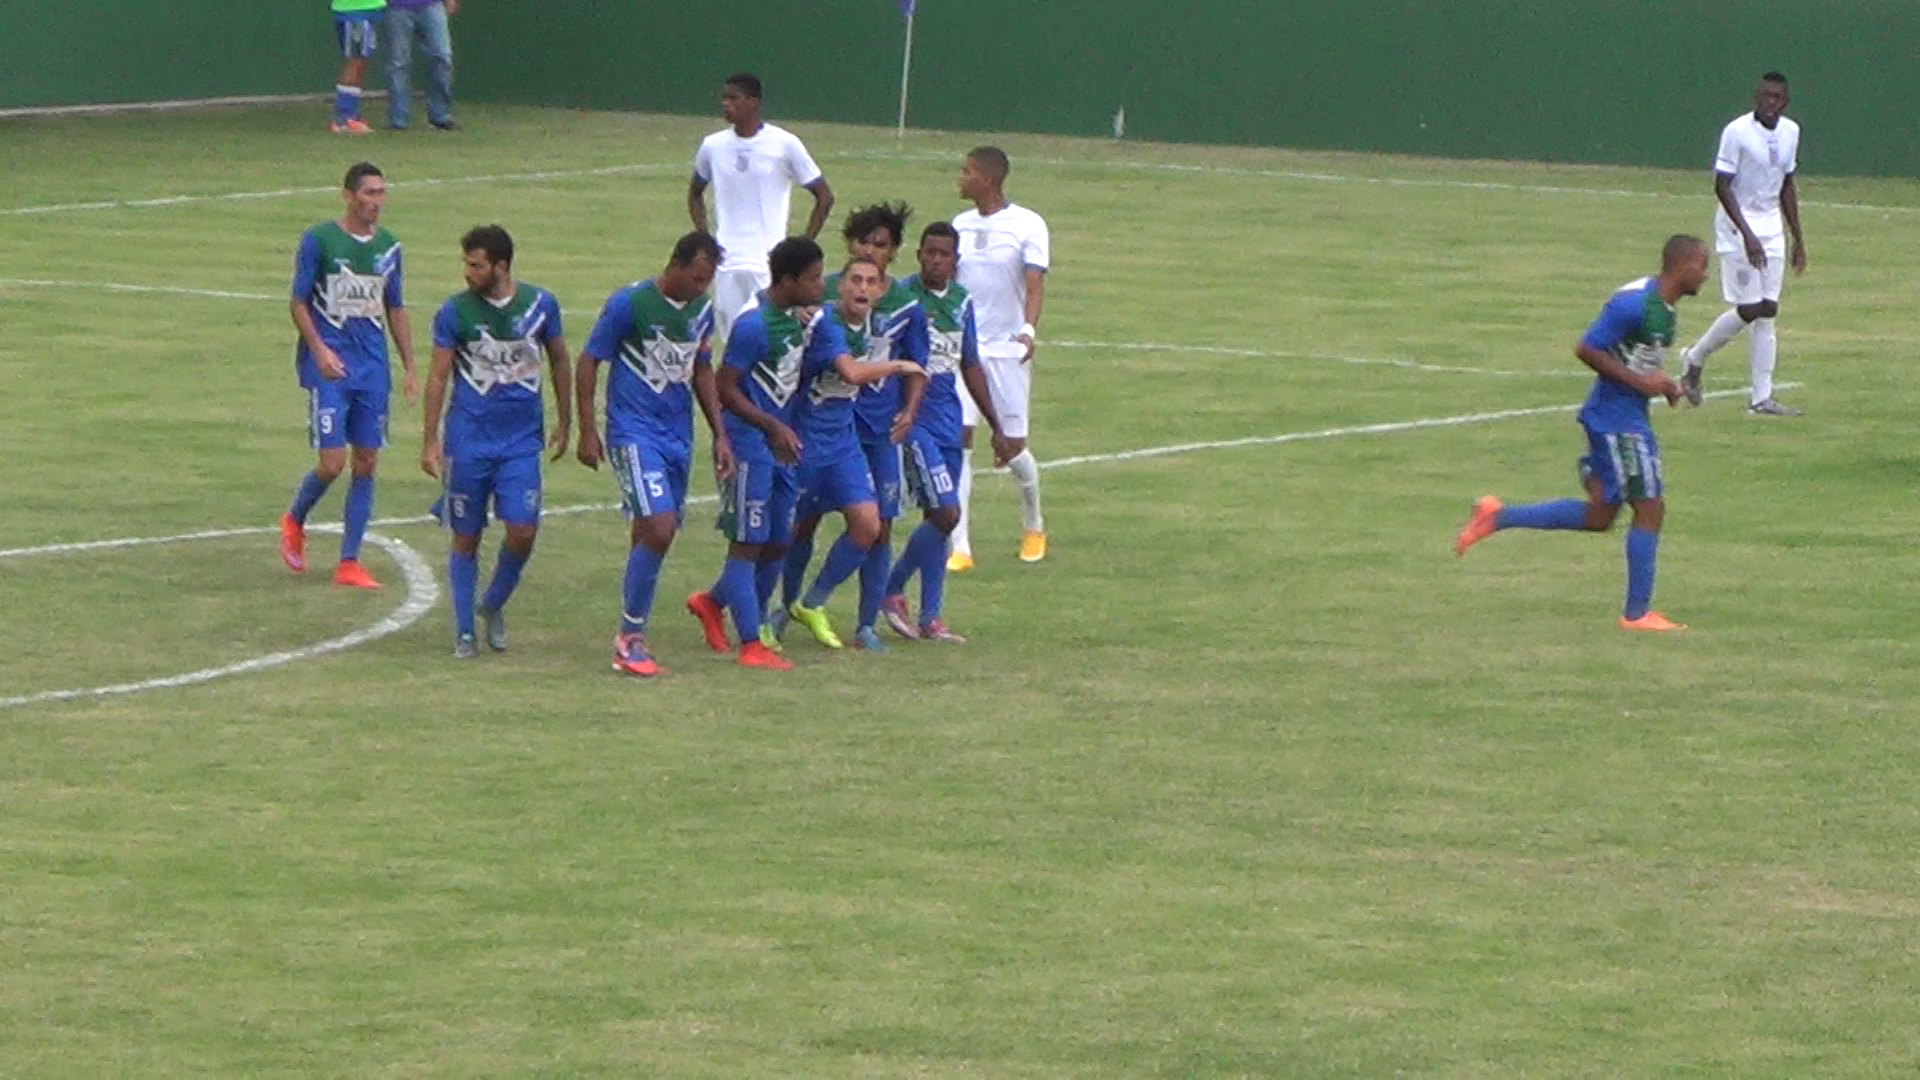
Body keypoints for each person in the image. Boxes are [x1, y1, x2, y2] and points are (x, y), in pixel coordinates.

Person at [1454, 234, 1711, 632]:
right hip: (1617, 422)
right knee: (1650, 508)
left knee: (1599, 516)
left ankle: (1497, 516)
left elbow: (1635, 360)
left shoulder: (1665, 310)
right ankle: (1637, 614)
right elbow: (1588, 348)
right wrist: (1641, 385)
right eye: (1703, 266)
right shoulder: (1633, 305)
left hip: (1621, 416)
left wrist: (1664, 385)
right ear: (1683, 266)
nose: (1707, 275)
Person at [683, 238, 912, 669]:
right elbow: (724, 385)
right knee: (748, 544)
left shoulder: (798, 321)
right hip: (753, 443)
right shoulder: (753, 327)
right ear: (788, 282)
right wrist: (765, 427)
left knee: (777, 541)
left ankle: (712, 603)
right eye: (811, 279)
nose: (819, 287)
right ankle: (753, 643)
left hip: (782, 443)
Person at [575, 232, 729, 678]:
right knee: (659, 528)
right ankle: (629, 638)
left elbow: (701, 369)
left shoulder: (701, 311)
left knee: (653, 529)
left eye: (708, 280)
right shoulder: (630, 304)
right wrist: (588, 428)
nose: (702, 287)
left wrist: (720, 433)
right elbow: (590, 362)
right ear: (675, 265)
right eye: (697, 278)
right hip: (633, 431)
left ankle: (632, 621)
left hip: (677, 434)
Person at [779, 202, 928, 651]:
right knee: (800, 524)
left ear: (894, 253)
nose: (870, 251)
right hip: (826, 427)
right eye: (863, 243)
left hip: (878, 431)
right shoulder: (822, 296)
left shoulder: (907, 304)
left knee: (877, 525)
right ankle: (785, 611)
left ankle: (863, 623)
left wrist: (911, 409)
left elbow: (919, 364)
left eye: (880, 246)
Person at [419, 225, 570, 657]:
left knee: (523, 530)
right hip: (469, 441)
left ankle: (493, 604)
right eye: (467, 264)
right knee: (466, 535)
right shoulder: (455, 312)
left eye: (476, 265)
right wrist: (431, 441)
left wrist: (566, 421)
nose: (467, 273)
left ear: (501, 266)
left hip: (521, 440)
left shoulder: (540, 305)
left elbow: (560, 358)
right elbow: (438, 376)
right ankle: (464, 631)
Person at [279, 161, 418, 589]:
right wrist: (319, 350)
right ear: (348, 196)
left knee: (368, 460)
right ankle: (295, 519)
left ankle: (349, 561)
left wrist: (410, 366)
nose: (376, 201)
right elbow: (299, 301)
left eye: (381, 193)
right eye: (369, 193)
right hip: (332, 366)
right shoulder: (320, 240)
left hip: (372, 366)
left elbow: (395, 307)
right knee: (333, 462)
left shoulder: (390, 248)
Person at [882, 222, 1017, 643]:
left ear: (956, 260)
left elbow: (970, 363)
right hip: (914, 419)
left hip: (948, 419)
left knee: (938, 520)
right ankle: (891, 588)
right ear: (918, 254)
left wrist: (997, 424)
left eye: (944, 254)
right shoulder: (902, 298)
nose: (936, 260)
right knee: (947, 513)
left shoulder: (961, 302)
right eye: (929, 252)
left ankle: (932, 617)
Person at [1679, 72, 1807, 416]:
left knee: (1769, 310)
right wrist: (1747, 234)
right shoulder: (1736, 132)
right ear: (1756, 97)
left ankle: (1761, 399)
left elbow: (1786, 184)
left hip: (1771, 227)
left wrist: (1797, 237)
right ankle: (1694, 358)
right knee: (1751, 308)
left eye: (1777, 97)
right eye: (1765, 96)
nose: (1770, 103)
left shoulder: (1791, 132)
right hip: (1737, 227)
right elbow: (1722, 185)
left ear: (1785, 102)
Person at [951, 146, 1050, 568]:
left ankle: (1034, 524)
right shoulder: (958, 226)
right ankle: (960, 546)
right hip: (965, 351)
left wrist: (1028, 331)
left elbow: (1034, 285)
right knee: (959, 438)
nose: (960, 177)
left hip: (1007, 351)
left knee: (1011, 446)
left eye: (967, 171)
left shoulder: (1028, 225)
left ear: (988, 179)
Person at [687, 73, 834, 347]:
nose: (726, 104)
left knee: (770, 342)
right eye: (724, 98)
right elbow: (695, 192)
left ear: (754, 101)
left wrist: (802, 245)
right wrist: (706, 239)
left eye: (733, 98)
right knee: (733, 345)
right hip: (727, 264)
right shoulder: (713, 146)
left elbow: (824, 196)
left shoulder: (784, 144)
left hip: (768, 264)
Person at [384, 0, 458, 132]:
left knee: (442, 56)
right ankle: (398, 119)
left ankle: (440, 116)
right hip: (397, 7)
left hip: (432, 5)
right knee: (398, 63)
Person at [329, 0, 387, 134]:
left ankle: (352, 116)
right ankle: (343, 119)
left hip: (370, 10)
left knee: (361, 61)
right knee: (355, 61)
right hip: (354, 12)